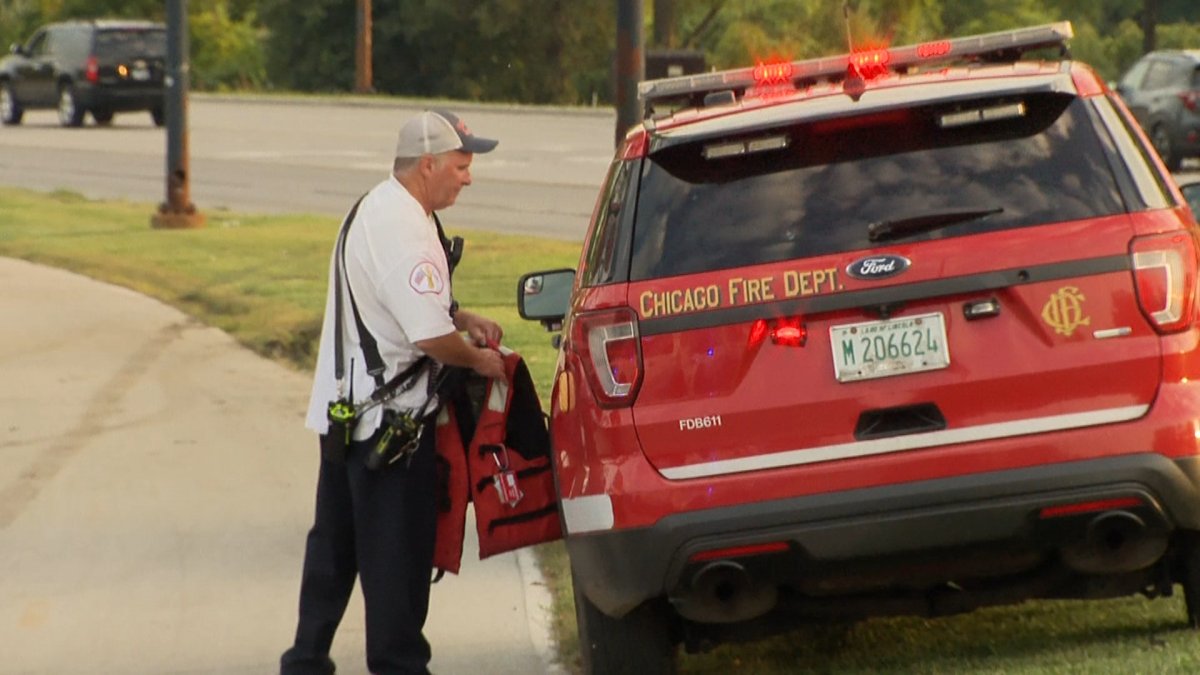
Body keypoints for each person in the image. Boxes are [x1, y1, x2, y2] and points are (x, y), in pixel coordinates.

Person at [281, 109, 507, 675]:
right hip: (391, 427)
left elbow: (402, 300)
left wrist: (461, 312)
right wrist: (481, 359)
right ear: (428, 164)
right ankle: (399, 666)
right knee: (396, 564)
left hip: (343, 417)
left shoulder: (379, 206)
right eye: (462, 163)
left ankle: (305, 660)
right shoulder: (407, 229)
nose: (469, 176)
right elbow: (429, 336)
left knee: (334, 549)